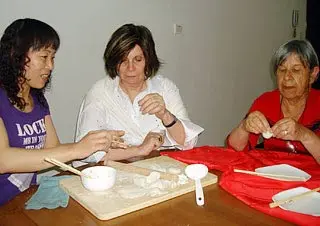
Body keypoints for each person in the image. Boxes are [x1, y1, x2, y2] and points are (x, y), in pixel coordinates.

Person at [0, 18, 124, 205]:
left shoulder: (38, 100)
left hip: (21, 201)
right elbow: (4, 160)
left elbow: (53, 151)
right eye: (44, 57)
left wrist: (93, 143)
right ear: (15, 55)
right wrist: (77, 148)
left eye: (53, 58)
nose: (51, 66)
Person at [75, 23, 203, 164]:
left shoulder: (165, 87)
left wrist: (165, 115)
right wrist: (139, 149)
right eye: (123, 61)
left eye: (138, 60)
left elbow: (188, 142)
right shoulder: (100, 92)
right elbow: (85, 152)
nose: (130, 68)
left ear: (148, 60)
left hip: (156, 168)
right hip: (110, 173)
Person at [227, 39, 320, 164]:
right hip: (273, 179)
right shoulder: (265, 102)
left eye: (296, 70)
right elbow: (234, 149)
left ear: (313, 74)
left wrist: (304, 135)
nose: (287, 77)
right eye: (282, 70)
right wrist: (244, 127)